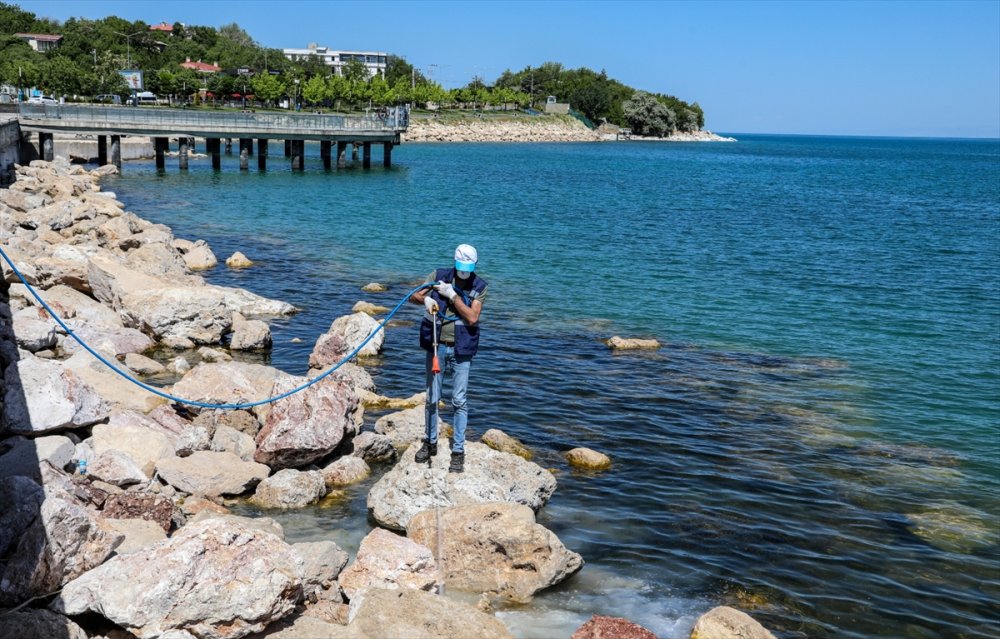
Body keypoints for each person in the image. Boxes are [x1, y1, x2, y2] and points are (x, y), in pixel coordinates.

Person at [409, 244, 487, 473]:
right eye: (461, 267)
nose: (464, 272)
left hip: (462, 349)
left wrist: (453, 296)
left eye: (468, 268)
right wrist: (425, 300)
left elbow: (472, 317)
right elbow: (414, 295)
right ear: (455, 262)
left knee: (459, 401)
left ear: (474, 266)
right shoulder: (438, 276)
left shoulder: (480, 286)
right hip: (437, 347)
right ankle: (430, 442)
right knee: (432, 397)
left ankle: (458, 451)